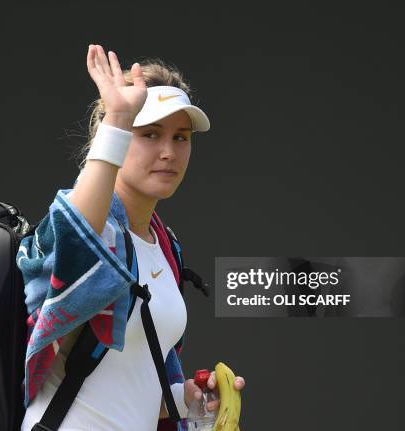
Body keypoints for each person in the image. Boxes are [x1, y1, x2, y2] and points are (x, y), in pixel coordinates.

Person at [17, 44, 246, 431]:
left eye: (180, 137)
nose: (168, 152)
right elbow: (77, 235)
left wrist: (190, 401)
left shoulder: (165, 246)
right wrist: (118, 118)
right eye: (150, 134)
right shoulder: (93, 229)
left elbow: (124, 387)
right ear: (118, 138)